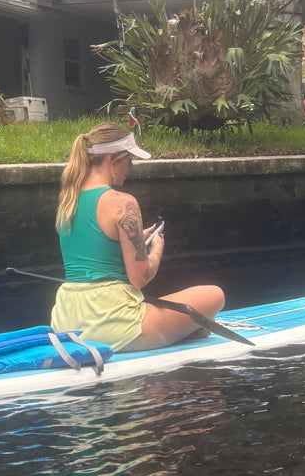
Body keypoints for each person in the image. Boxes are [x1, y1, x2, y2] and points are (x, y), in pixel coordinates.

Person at [51, 122, 225, 352]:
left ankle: (184, 331)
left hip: (65, 322)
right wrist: (156, 249)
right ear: (112, 158)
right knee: (215, 295)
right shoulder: (122, 203)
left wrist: (132, 242)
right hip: (112, 325)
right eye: (129, 158)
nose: (131, 165)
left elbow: (95, 248)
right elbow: (139, 279)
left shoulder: (67, 200)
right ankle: (183, 331)